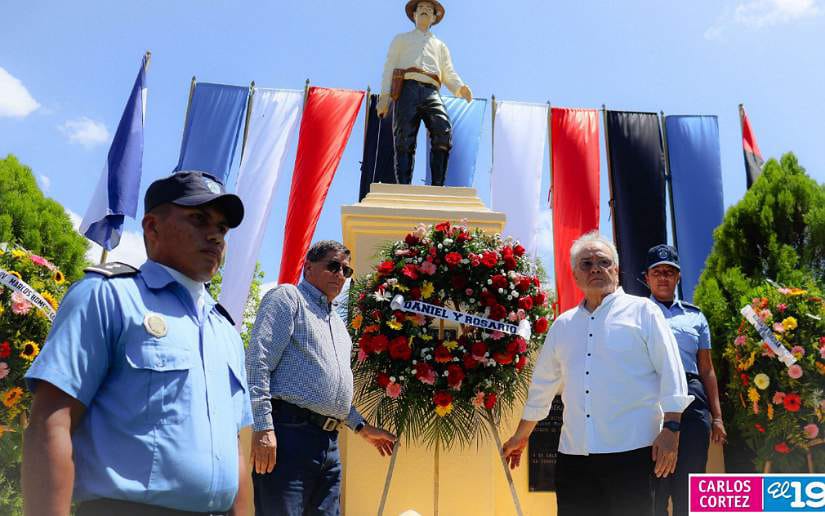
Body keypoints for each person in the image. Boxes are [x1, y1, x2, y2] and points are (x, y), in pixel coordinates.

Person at [22, 170, 253, 516]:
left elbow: (234, 451)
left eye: (222, 228)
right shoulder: (107, 297)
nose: (215, 236)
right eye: (198, 219)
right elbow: (51, 422)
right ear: (152, 227)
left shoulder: (226, 332)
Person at [502, 231, 693, 516]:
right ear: (575, 275)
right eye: (586, 264)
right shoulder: (563, 326)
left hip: (635, 454)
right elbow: (542, 387)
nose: (595, 269)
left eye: (603, 262)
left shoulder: (644, 312)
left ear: (616, 270)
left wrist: (672, 429)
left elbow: (672, 372)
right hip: (574, 458)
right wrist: (521, 436)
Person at [246, 240, 396, 516]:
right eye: (333, 266)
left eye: (346, 271)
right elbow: (258, 360)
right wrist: (264, 427)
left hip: (329, 445)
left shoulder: (339, 327)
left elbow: (331, 394)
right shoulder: (289, 298)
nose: (340, 275)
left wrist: (362, 428)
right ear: (309, 267)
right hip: (288, 434)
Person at [644, 244, 727, 516]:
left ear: (678, 277)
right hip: (651, 396)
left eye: (670, 272)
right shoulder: (637, 313)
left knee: (689, 487)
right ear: (647, 277)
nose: (664, 277)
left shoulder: (696, 316)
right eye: (657, 272)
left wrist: (717, 417)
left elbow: (707, 369)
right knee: (654, 486)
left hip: (693, 398)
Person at [377, 0, 473, 186]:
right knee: (404, 138)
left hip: (431, 90)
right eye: (420, 8)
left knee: (443, 130)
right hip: (407, 88)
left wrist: (459, 87)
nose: (424, 11)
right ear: (413, 15)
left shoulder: (440, 46)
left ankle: (437, 186)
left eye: (429, 9)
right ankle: (404, 187)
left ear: (434, 18)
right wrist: (384, 96)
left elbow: (448, 71)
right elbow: (389, 66)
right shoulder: (401, 39)